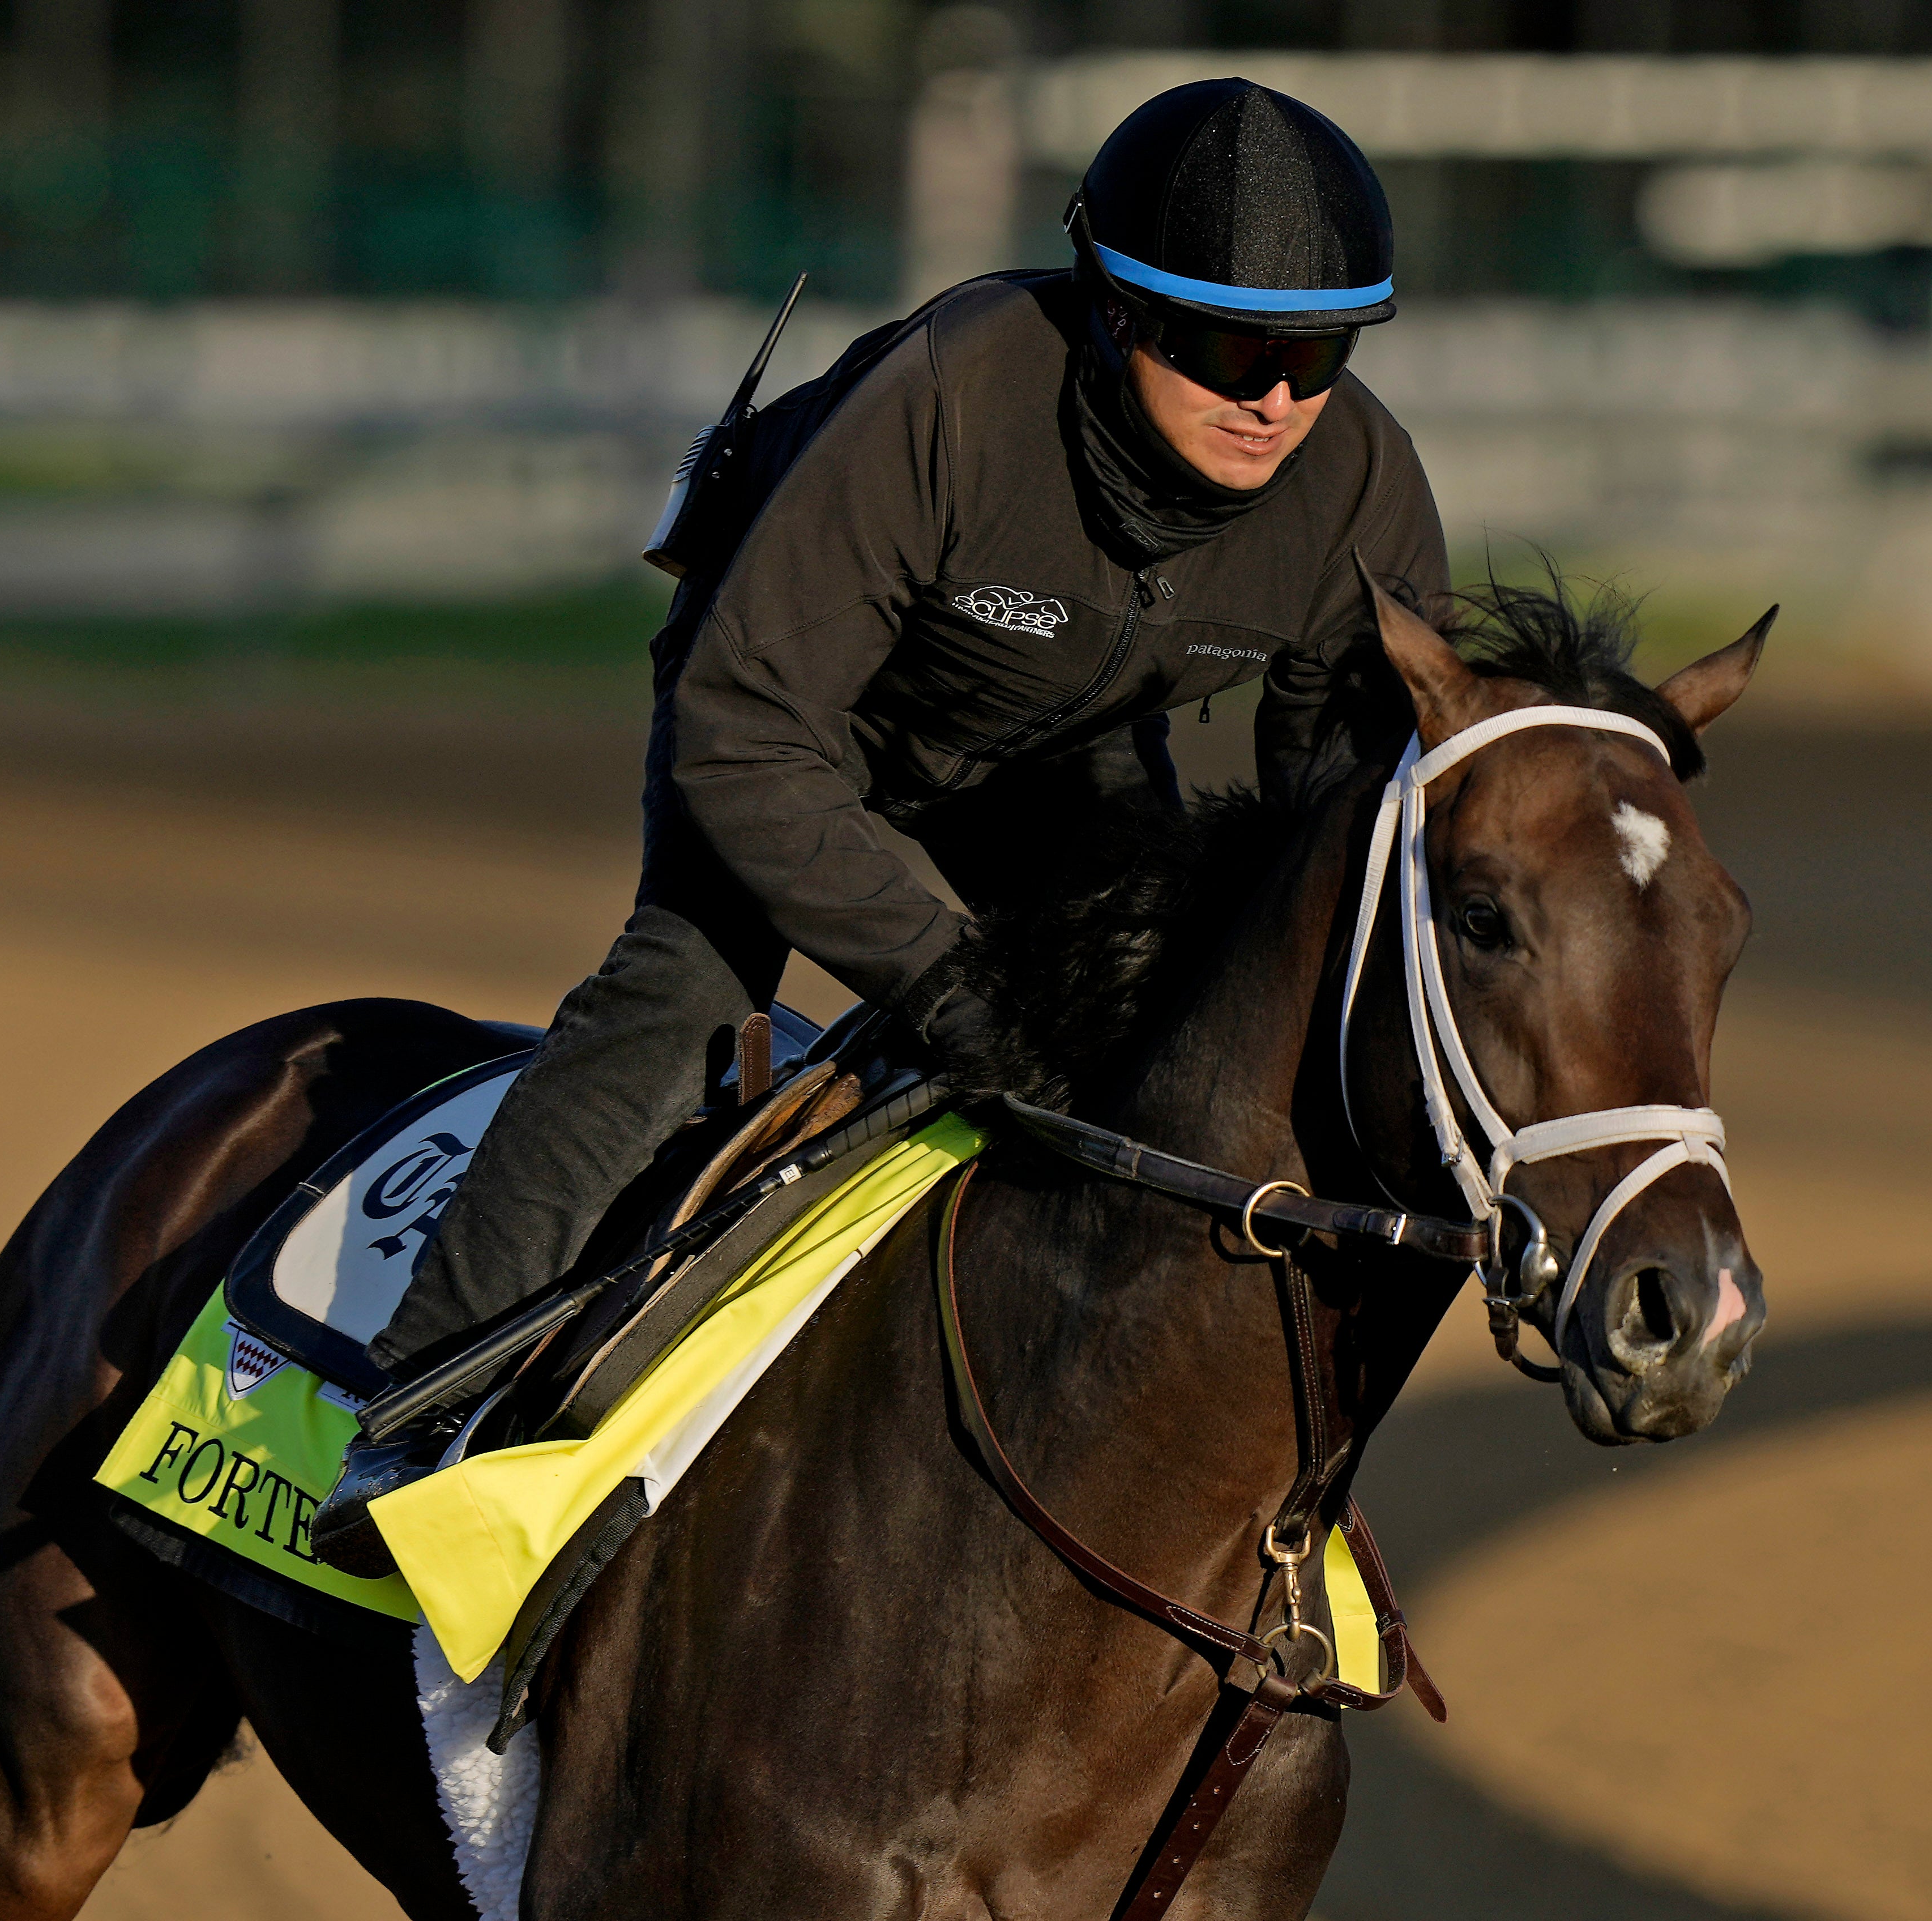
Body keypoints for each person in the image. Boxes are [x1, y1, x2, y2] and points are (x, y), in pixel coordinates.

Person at [313, 75, 1453, 1579]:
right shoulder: (950, 395)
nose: (1279, 402)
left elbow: (1339, 828)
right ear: (1118, 312)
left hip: (1056, 748)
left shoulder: (1357, 484)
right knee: (684, 991)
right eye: (1236, 348)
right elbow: (742, 730)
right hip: (791, 715)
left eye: (1322, 353)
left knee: (1166, 1024)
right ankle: (413, 1406)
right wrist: (954, 987)